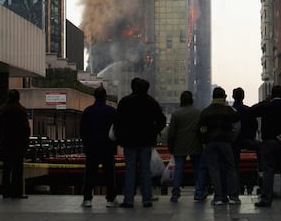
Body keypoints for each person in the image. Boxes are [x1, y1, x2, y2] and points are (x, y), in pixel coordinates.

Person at [114, 77, 166, 208]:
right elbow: (162, 120)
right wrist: (154, 131)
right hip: (146, 141)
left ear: (132, 87)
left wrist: (121, 138)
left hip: (129, 142)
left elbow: (118, 122)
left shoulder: (125, 102)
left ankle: (129, 200)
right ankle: (146, 199)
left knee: (130, 170)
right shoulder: (151, 102)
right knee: (145, 170)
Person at [251, 84, 281, 208]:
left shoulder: (266, 107)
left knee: (268, 171)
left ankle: (266, 199)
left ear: (271, 94)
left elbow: (252, 110)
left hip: (269, 142)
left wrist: (266, 101)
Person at [198, 86, 241, 205]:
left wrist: (204, 141)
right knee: (230, 168)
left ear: (213, 97)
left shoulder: (206, 111)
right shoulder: (229, 111)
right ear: (224, 97)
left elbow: (201, 129)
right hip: (225, 142)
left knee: (214, 170)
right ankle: (233, 197)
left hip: (210, 143)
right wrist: (231, 138)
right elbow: (236, 126)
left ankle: (218, 197)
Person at [80, 85, 117, 208]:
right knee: (109, 174)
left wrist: (86, 143)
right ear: (105, 97)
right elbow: (116, 130)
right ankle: (110, 199)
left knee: (90, 174)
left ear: (94, 96)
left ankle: (87, 199)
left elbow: (82, 131)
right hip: (107, 147)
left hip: (92, 147)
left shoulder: (88, 111)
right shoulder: (111, 111)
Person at [0, 89, 30, 199]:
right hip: (18, 144)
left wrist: (1, 137)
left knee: (6, 168)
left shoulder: (0, 110)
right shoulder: (21, 110)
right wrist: (25, 142)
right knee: (17, 170)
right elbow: (26, 129)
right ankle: (16, 192)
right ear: (18, 97)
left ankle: (5, 192)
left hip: (5, 143)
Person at [167, 90, 202, 203]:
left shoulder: (176, 114)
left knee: (178, 169)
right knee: (197, 169)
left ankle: (175, 194)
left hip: (179, 145)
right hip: (195, 144)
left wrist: (170, 146)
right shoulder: (198, 113)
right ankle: (199, 192)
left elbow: (171, 132)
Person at [232, 87, 260, 190]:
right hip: (248, 140)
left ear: (233, 96)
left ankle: (235, 186)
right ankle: (260, 175)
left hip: (234, 142)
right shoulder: (248, 110)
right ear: (243, 96)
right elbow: (254, 125)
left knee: (234, 164)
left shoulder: (231, 111)